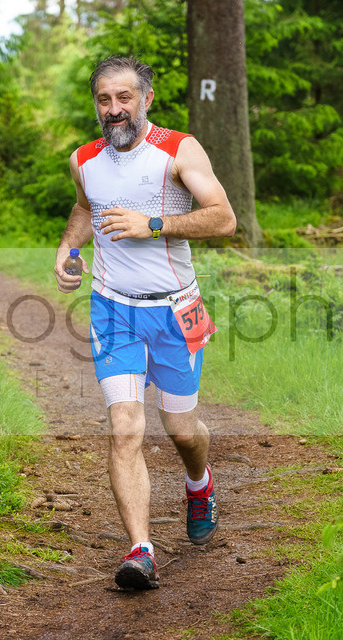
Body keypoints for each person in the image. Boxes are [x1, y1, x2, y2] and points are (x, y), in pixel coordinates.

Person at [53, 56, 236, 591]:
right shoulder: (83, 159)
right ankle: (141, 550)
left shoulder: (179, 149)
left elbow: (224, 218)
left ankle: (199, 483)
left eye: (124, 98)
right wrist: (68, 249)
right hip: (113, 308)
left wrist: (152, 224)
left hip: (178, 309)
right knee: (125, 427)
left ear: (146, 99)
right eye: (104, 100)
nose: (114, 109)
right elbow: (85, 209)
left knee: (181, 429)